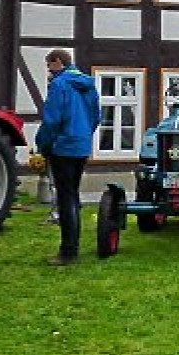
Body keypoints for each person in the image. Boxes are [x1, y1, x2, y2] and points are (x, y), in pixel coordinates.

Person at [35, 48, 100, 266]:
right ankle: (73, 247)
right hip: (81, 146)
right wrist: (84, 136)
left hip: (62, 146)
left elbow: (52, 120)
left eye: (49, 65)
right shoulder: (88, 85)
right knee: (73, 195)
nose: (48, 71)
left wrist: (43, 144)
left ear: (57, 62)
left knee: (65, 199)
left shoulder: (59, 84)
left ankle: (68, 251)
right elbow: (96, 117)